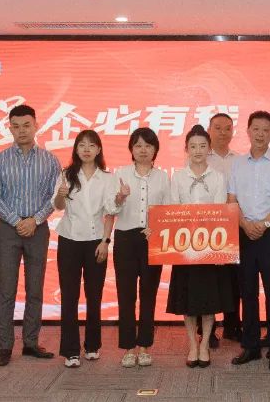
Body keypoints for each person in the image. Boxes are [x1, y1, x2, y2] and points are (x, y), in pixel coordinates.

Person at [0, 104, 61, 367]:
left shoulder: (50, 161)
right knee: (6, 289)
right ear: (10, 129)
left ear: (36, 125)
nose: (22, 131)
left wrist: (35, 220)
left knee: (35, 289)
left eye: (26, 125)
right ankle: (4, 346)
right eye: (16, 126)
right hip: (9, 228)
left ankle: (30, 342)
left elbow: (55, 197)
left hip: (38, 229)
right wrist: (18, 221)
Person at [228, 110, 270, 372]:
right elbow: (232, 200)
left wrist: (265, 224)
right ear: (248, 131)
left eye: (266, 130)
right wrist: (245, 224)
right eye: (256, 129)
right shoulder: (238, 163)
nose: (260, 134)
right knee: (247, 292)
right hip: (244, 232)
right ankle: (251, 346)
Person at [166, 125, 236, 368]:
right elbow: (174, 208)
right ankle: (192, 345)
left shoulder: (218, 177)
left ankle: (204, 343)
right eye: (193, 146)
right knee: (188, 302)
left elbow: (219, 212)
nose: (198, 150)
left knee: (208, 301)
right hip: (185, 248)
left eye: (202, 146)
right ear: (186, 149)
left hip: (209, 248)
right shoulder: (178, 177)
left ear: (209, 149)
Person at [54, 129, 124, 368]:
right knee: (69, 296)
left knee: (94, 296)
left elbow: (110, 212)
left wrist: (105, 241)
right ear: (76, 149)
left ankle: (92, 345)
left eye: (91, 145)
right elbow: (58, 206)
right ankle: (71, 351)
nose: (86, 149)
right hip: (69, 240)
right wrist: (61, 195)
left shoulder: (107, 177)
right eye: (82, 145)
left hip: (96, 241)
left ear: (98, 149)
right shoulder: (66, 174)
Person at [112, 127, 168, 368]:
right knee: (125, 295)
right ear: (131, 149)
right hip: (125, 238)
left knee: (148, 294)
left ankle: (144, 346)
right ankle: (127, 347)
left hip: (152, 239)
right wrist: (120, 198)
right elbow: (111, 208)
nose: (143, 150)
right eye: (138, 145)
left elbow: (167, 209)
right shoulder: (120, 174)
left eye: (148, 145)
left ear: (155, 149)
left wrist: (156, 227)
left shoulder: (163, 177)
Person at [206, 112, 242, 346]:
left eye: (227, 128)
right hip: (206, 228)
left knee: (234, 279)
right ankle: (208, 331)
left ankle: (232, 325)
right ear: (209, 130)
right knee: (209, 280)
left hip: (234, 226)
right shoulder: (200, 157)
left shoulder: (239, 160)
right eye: (217, 128)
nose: (223, 132)